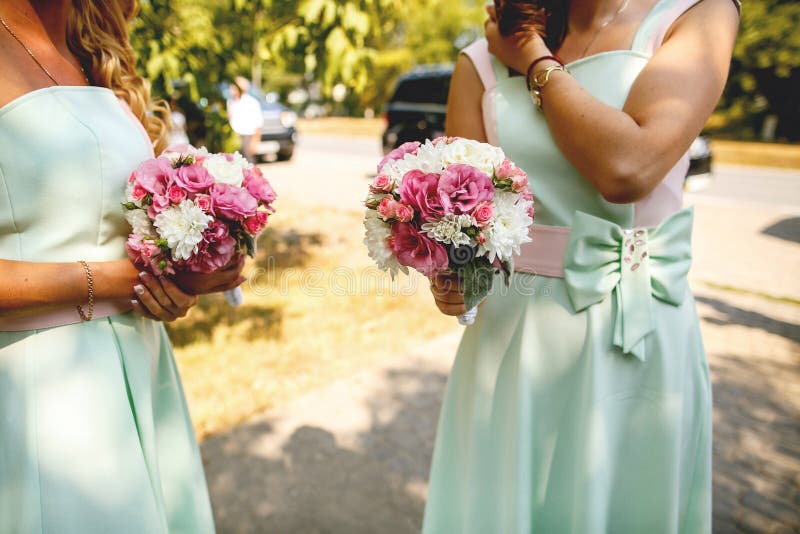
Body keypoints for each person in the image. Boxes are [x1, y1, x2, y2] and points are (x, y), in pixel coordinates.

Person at [425, 0, 739, 531]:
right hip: (513, 341)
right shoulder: (478, 61)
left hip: (635, 331)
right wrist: (452, 275)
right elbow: (468, 227)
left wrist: (532, 57)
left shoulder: (698, 15)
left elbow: (628, 166)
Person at [0, 1, 245, 531]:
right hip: (39, 394)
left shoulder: (87, 53)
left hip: (139, 371)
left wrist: (185, 270)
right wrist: (119, 281)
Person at [226, 79, 264, 164]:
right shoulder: (230, 102)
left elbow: (258, 124)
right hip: (234, 136)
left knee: (248, 163)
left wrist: (255, 141)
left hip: (248, 136)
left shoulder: (252, 102)